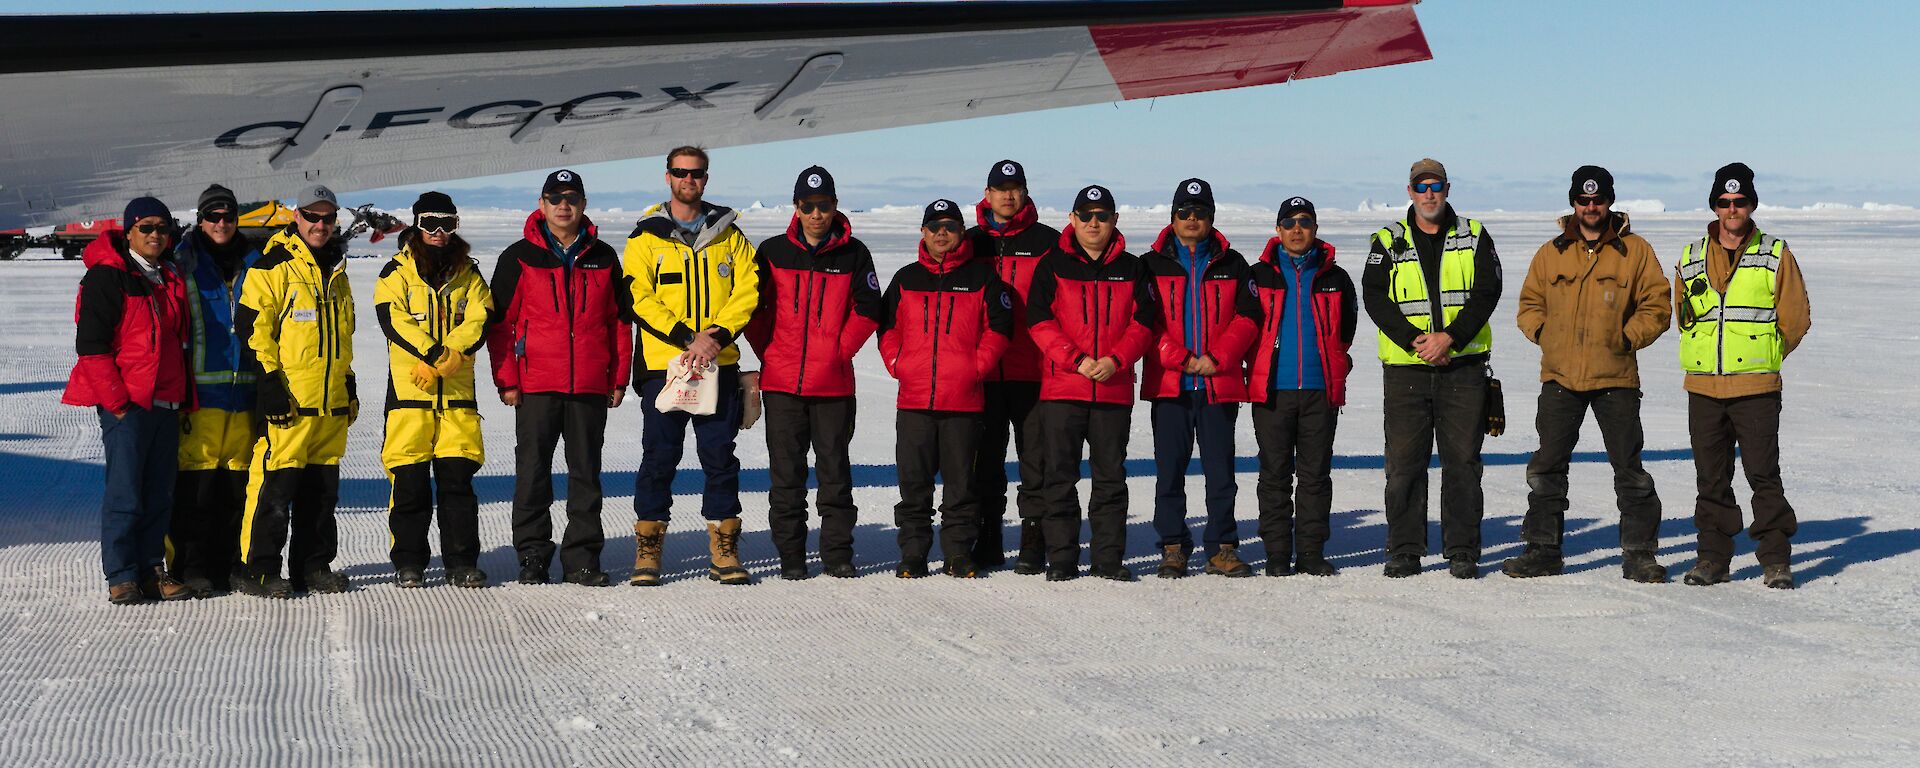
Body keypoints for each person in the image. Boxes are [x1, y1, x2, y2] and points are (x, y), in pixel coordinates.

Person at [1505, 166, 1673, 583]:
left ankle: (1639, 553)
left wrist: (1626, 338)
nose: (1591, 207)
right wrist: (1545, 334)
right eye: (1583, 200)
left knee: (1629, 470)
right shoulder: (1552, 253)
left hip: (1615, 378)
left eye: (1598, 200)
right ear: (1574, 202)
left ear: (1610, 202)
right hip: (1560, 377)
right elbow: (1529, 304)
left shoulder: (1635, 252)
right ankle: (1543, 549)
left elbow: (1658, 305)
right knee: (1547, 467)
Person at [487, 169, 633, 587]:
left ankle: (582, 559)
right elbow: (501, 325)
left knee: (585, 475)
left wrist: (617, 377)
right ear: (542, 204)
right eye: (555, 198)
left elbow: (618, 323)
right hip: (535, 385)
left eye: (571, 198)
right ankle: (532, 556)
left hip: (588, 383)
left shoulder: (603, 256)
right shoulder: (519, 256)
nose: (563, 206)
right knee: (532, 473)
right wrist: (507, 381)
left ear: (583, 204)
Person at [623, 146, 761, 586]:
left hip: (718, 366)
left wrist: (715, 339)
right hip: (664, 367)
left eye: (697, 174)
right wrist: (687, 338)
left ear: (706, 178)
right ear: (668, 177)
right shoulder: (645, 237)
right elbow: (638, 298)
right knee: (659, 457)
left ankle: (723, 545)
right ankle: (648, 546)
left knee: (719, 456)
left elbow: (748, 291)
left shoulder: (730, 236)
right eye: (681, 173)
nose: (689, 180)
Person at [1361, 158, 1502, 580]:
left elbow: (1487, 290)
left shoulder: (1473, 235)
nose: (1428, 194)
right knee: (1404, 464)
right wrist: (1416, 340)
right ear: (1409, 192)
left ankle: (1462, 549)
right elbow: (1374, 297)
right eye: (1420, 187)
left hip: (1463, 369)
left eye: (1435, 186)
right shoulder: (1388, 240)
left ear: (1447, 189)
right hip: (1407, 369)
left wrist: (1450, 338)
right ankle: (1404, 549)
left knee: (1462, 462)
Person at [1674, 163, 1812, 589]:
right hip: (1704, 387)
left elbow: (1796, 318)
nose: (1731, 210)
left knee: (1762, 474)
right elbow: (1683, 315)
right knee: (1710, 478)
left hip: (1755, 388)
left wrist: (1765, 355)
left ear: (1751, 204)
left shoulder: (1775, 252)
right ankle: (1713, 559)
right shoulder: (1690, 254)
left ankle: (1775, 560)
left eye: (1739, 202)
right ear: (1714, 206)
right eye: (1723, 202)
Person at [743, 166, 882, 579]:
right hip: (783, 383)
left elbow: (869, 309)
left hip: (834, 385)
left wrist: (839, 351)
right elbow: (751, 307)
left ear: (835, 206)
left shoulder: (854, 253)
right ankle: (791, 555)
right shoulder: (772, 251)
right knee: (786, 476)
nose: (816, 214)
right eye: (808, 206)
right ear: (797, 207)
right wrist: (769, 349)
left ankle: (837, 553)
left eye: (823, 206)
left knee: (834, 474)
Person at [63, 196, 194, 604]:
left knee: (159, 492)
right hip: (129, 404)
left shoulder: (167, 276)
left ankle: (152, 569)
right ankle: (122, 574)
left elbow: (177, 343)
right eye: (147, 227)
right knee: (126, 492)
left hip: (165, 402)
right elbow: (92, 346)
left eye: (163, 228)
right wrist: (117, 402)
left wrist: (181, 398)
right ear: (130, 230)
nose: (156, 234)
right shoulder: (108, 276)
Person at [1027, 185, 1157, 582]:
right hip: (1064, 389)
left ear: (1115, 220)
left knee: (1110, 479)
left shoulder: (1134, 268)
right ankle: (1062, 558)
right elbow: (1038, 321)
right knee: (1060, 478)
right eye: (1086, 216)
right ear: (1072, 220)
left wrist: (1116, 360)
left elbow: (1145, 323)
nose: (1094, 223)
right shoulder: (1052, 266)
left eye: (1102, 215)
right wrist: (1077, 360)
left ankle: (1107, 558)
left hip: (1113, 391)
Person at [878, 199, 1013, 578]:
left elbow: (999, 329)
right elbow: (887, 329)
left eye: (950, 227)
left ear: (961, 232)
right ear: (923, 232)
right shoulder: (906, 279)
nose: (942, 233)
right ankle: (914, 554)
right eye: (934, 226)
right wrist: (897, 363)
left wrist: (975, 368)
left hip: (964, 402)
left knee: (961, 486)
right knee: (914, 486)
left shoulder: (982, 279)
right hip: (915, 400)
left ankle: (957, 553)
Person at [235, 184, 358, 598]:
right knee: (275, 491)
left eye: (327, 218)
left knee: (321, 496)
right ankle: (260, 570)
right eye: (312, 216)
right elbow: (252, 329)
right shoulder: (273, 266)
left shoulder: (337, 270)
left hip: (329, 407)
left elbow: (343, 337)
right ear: (296, 217)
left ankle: (313, 566)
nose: (320, 225)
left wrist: (349, 382)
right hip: (289, 404)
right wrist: (269, 384)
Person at [1139, 178, 1260, 579]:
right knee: (1169, 471)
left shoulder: (1233, 264)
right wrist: (1181, 359)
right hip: (1170, 385)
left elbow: (1248, 318)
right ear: (1172, 217)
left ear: (1211, 217)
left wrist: (1217, 359)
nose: (1192, 219)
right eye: (1184, 212)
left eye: (1200, 213)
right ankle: (1172, 547)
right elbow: (1144, 323)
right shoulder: (1150, 265)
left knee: (1220, 473)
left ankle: (1222, 548)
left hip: (1217, 384)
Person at [375, 192, 494, 588]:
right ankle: (409, 561)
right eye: (430, 224)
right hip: (410, 397)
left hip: (457, 399)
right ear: (415, 225)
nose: (439, 233)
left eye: (448, 224)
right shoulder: (396, 273)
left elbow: (481, 315)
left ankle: (461, 562)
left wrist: (453, 353)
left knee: (457, 485)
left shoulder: (469, 274)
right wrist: (432, 353)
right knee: (409, 485)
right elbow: (393, 319)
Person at [1246, 197, 1356, 577]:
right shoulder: (1258, 275)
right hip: (1272, 391)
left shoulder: (1335, 278)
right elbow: (1246, 328)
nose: (1297, 229)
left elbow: (1346, 330)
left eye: (1304, 222)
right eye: (1289, 222)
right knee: (1274, 474)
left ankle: (1310, 551)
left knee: (1314, 475)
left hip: (1319, 390)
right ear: (1278, 230)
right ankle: (1277, 553)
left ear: (1315, 229)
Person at [964, 159, 1060, 573]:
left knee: (1036, 461)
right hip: (984, 372)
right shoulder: (968, 243)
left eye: (1015, 187)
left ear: (1025, 192)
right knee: (984, 461)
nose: (1008, 195)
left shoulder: (1049, 242)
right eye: (1000, 189)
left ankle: (1033, 539)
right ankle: (986, 537)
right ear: (987, 195)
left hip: (1034, 370)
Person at [169, 184, 261, 597]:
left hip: (244, 393)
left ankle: (229, 564)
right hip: (201, 394)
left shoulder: (255, 262)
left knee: (237, 485)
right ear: (201, 220)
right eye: (212, 216)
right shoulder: (184, 261)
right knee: (198, 485)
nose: (221, 224)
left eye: (227, 216)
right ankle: (191, 566)